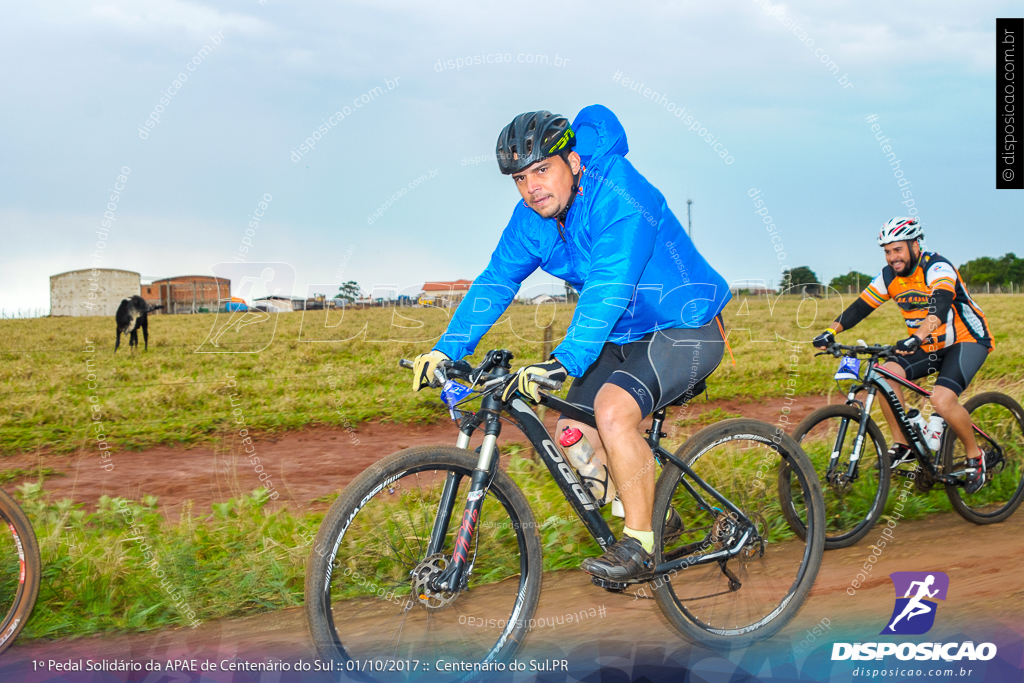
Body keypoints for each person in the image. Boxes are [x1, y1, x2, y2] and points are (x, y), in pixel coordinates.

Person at [410, 106, 732, 582]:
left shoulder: (623, 195)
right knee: (572, 435)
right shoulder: (532, 219)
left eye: (541, 170)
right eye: (520, 178)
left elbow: (609, 283)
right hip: (619, 334)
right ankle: (657, 516)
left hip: (687, 324)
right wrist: (447, 349)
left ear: (574, 160)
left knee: (614, 411)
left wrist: (564, 361)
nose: (531, 187)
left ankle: (640, 544)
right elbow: (497, 280)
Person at [812, 217, 994, 493]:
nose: (892, 257)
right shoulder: (889, 276)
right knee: (885, 378)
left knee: (942, 400)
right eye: (887, 251)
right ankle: (905, 445)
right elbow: (860, 307)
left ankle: (975, 455)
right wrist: (830, 332)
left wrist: (916, 337)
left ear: (915, 245)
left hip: (966, 340)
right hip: (927, 345)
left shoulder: (937, 267)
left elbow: (941, 305)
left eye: (897, 249)